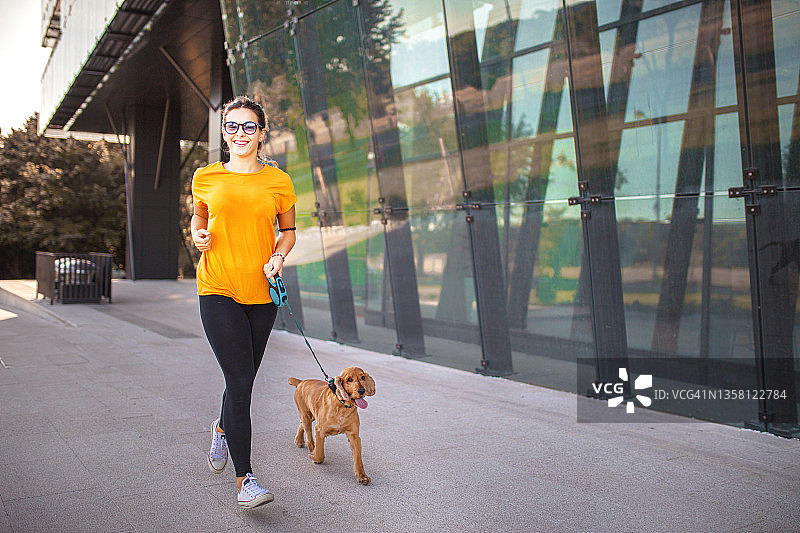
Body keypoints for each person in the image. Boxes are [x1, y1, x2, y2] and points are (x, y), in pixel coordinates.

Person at [191, 95, 297, 508]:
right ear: (224, 132)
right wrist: (197, 234)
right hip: (217, 286)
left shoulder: (278, 182)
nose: (240, 133)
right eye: (232, 126)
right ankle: (245, 479)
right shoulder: (205, 177)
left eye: (249, 126)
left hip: (261, 292)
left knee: (244, 378)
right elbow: (200, 218)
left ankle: (222, 428)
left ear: (261, 133)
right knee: (239, 381)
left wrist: (278, 256)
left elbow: (288, 232)